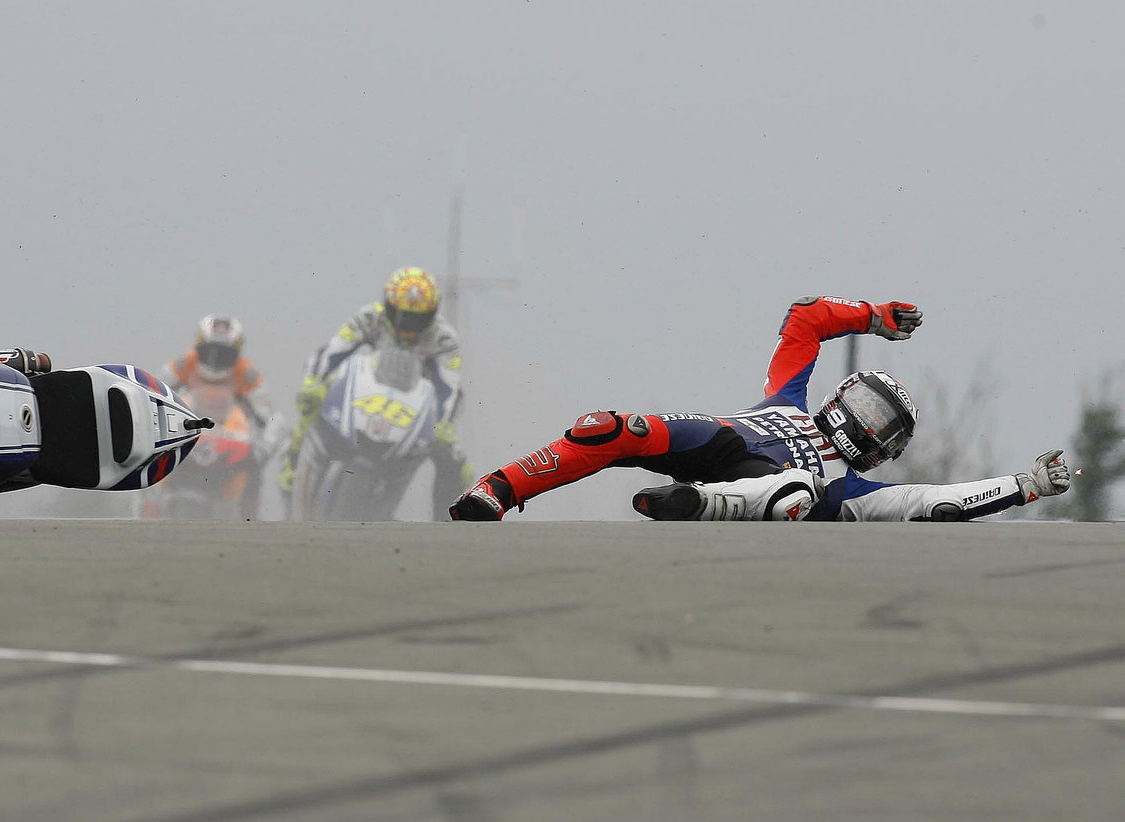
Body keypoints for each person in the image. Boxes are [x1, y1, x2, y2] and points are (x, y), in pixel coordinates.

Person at [449, 295, 1072, 522]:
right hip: (721, 441)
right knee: (611, 428)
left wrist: (1025, 485)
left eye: (880, 425)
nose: (863, 421)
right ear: (839, 394)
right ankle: (493, 492)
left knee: (801, 490)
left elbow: (934, 501)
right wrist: (873, 318)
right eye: (864, 404)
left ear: (886, 449)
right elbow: (805, 316)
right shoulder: (789, 397)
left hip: (777, 493)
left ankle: (697, 507)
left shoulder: (854, 490)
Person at [279, 266, 474, 520]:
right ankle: (291, 470)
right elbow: (332, 350)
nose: (409, 326)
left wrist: (444, 425)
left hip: (416, 406)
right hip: (368, 392)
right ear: (388, 306)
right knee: (310, 410)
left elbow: (451, 387)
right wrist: (312, 383)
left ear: (432, 314)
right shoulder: (370, 317)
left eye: (419, 318)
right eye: (402, 316)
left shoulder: (444, 338)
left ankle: (447, 524)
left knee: (455, 461)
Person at [158, 314, 283, 519]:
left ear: (236, 352)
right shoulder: (183, 363)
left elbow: (271, 417)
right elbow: (152, 389)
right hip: (186, 427)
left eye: (224, 354)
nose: (215, 359)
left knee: (253, 468)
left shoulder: (247, 373)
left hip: (230, 436)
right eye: (209, 351)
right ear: (199, 347)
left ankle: (248, 519)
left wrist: (264, 448)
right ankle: (148, 507)